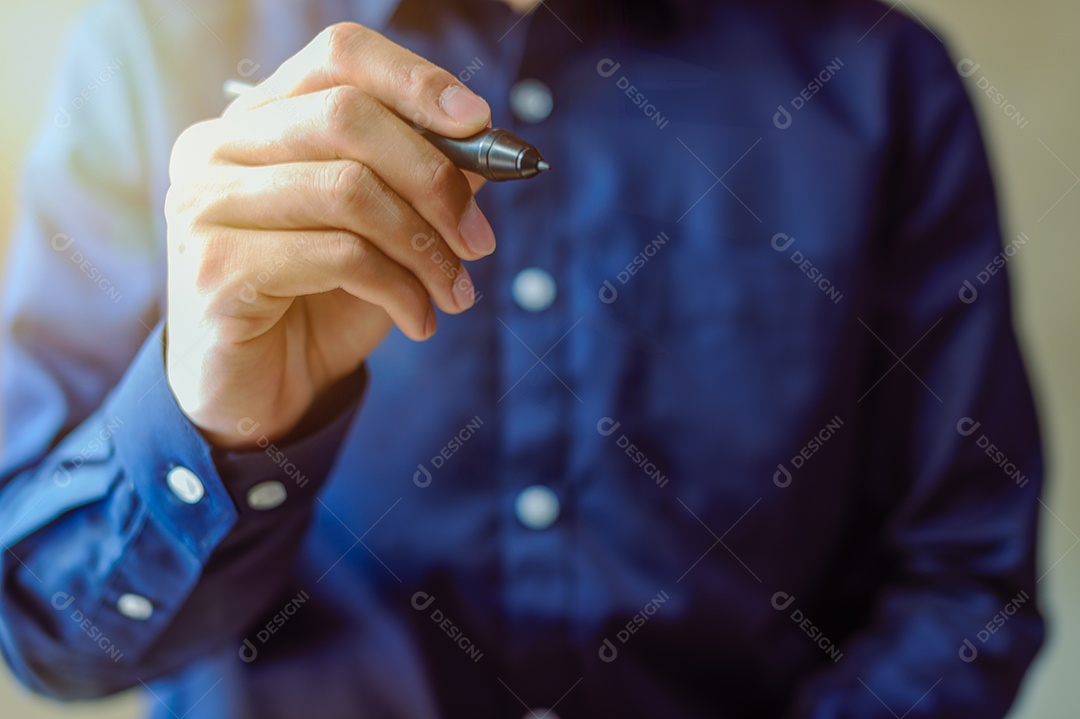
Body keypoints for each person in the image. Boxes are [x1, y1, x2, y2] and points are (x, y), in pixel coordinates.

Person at [0, 0, 1045, 716]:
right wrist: (214, 430)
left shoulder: (882, 79)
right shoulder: (159, 45)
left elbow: (966, 573)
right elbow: (48, 628)